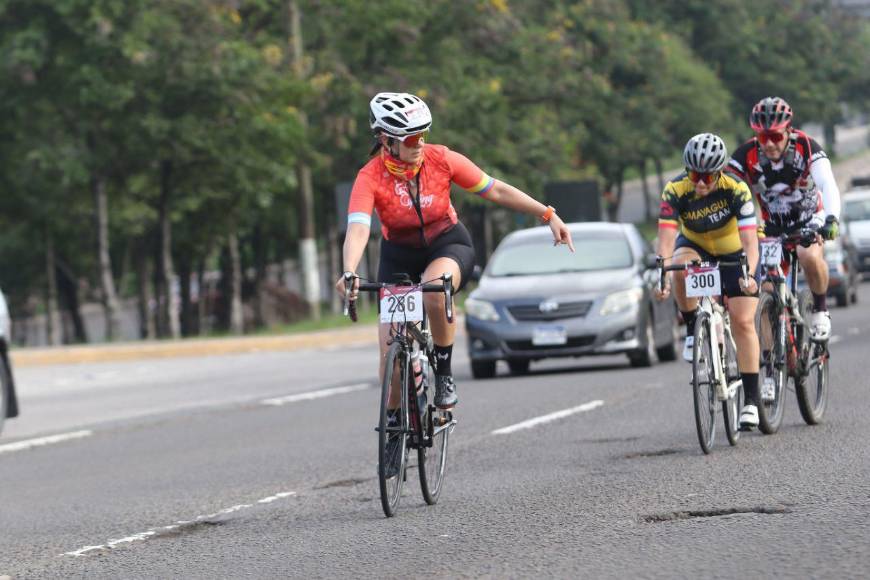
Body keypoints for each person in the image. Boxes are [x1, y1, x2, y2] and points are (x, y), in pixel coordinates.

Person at [336, 92, 574, 416]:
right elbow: (359, 228)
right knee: (389, 365)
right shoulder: (370, 177)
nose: (420, 142)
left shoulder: (442, 159)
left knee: (435, 289)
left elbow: (497, 189)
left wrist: (548, 215)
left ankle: (444, 374)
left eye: (424, 133)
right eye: (411, 137)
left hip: (446, 243)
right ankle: (393, 433)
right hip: (398, 254)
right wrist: (349, 270)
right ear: (386, 139)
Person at [655, 133, 762, 428]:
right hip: (696, 247)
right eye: (694, 175)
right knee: (678, 265)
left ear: (720, 171)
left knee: (742, 321)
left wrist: (750, 276)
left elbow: (751, 242)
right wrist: (661, 275)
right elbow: (665, 240)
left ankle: (751, 400)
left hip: (734, 252)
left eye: (707, 177)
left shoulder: (736, 188)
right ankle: (693, 327)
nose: (700, 183)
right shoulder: (675, 189)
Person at [728, 96, 841, 343]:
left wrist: (831, 219)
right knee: (768, 293)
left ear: (789, 132)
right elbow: (727, 189)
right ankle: (772, 367)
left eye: (776, 137)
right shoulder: (746, 155)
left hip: (809, 218)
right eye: (762, 137)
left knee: (808, 254)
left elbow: (827, 183)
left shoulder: (806, 146)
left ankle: (821, 309)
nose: (769, 144)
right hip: (772, 227)